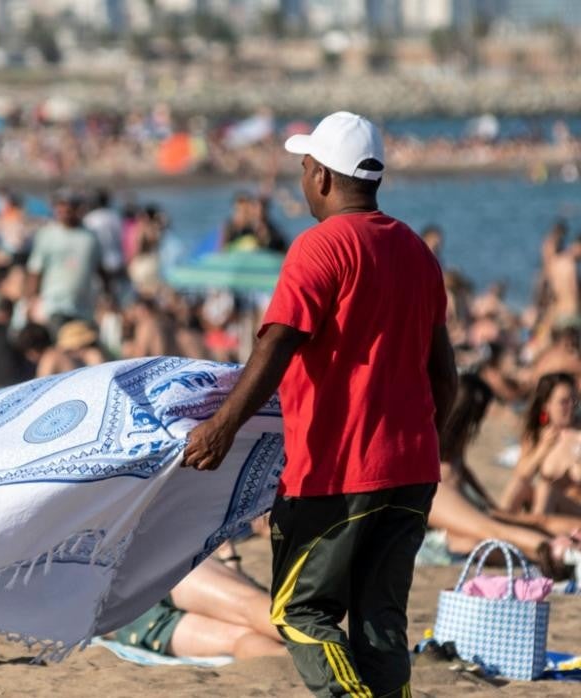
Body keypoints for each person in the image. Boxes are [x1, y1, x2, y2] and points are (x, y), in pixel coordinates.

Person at [182, 112, 456, 697]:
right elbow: (446, 378)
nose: (302, 179)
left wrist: (222, 426)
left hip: (338, 472)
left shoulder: (319, 247)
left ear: (325, 177)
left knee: (299, 613)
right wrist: (427, 444)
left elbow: (278, 341)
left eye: (305, 168)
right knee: (380, 625)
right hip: (411, 471)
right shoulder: (415, 251)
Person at [432, 374, 576, 576]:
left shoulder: (453, 451)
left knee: (531, 524)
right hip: (457, 523)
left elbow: (479, 495)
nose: (477, 427)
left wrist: (496, 510)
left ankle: (561, 547)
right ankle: (558, 551)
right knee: (492, 535)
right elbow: (520, 478)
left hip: (474, 514)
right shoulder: (438, 461)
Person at [114, 558, 286, 660]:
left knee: (237, 636)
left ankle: (297, 666)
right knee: (245, 604)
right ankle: (309, 638)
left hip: (121, 614)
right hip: (148, 565)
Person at [499, 373, 581, 518]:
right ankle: (497, 527)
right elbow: (521, 475)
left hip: (574, 512)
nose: (571, 407)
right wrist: (542, 449)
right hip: (545, 510)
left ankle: (531, 532)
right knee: (519, 484)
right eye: (564, 402)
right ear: (546, 405)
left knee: (545, 488)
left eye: (574, 400)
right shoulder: (537, 434)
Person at [24, 190, 108, 329]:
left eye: (70, 206)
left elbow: (100, 269)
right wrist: (30, 301)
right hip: (53, 305)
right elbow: (35, 271)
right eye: (61, 205)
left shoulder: (90, 238)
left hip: (83, 307)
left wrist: (107, 297)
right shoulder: (47, 235)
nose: (65, 210)